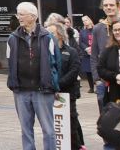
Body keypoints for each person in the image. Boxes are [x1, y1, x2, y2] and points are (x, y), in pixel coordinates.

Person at [6, 2, 57, 150]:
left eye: (22, 14)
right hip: (21, 91)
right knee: (26, 130)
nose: (18, 17)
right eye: (18, 14)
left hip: (42, 90)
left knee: (48, 130)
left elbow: (55, 63)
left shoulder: (47, 37)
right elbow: (10, 62)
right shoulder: (12, 38)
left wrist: (54, 85)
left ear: (33, 17)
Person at [48, 19, 84, 150]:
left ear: (60, 35)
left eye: (52, 33)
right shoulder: (46, 53)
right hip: (50, 93)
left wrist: (57, 84)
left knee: (71, 123)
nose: (49, 35)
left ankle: (77, 146)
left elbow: (73, 71)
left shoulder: (71, 51)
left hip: (67, 93)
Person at [92, 0, 120, 109]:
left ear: (118, 6)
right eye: (105, 5)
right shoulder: (98, 28)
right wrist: (96, 79)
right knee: (105, 114)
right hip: (103, 79)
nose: (108, 7)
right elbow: (94, 55)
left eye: (111, 5)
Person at [79, 15, 96, 93]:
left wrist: (93, 48)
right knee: (88, 72)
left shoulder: (95, 29)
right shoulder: (82, 31)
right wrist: (86, 48)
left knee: (95, 70)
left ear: (89, 20)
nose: (84, 22)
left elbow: (98, 40)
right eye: (83, 21)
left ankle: (98, 87)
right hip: (86, 54)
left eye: (85, 20)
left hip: (95, 53)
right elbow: (80, 42)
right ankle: (91, 87)